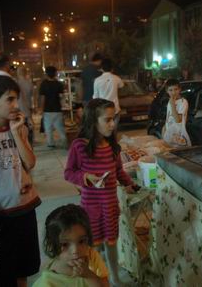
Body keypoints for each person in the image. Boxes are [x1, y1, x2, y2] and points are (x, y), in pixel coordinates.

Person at [64, 98, 138, 287]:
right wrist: (86, 177)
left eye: (113, 119)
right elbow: (69, 173)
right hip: (91, 209)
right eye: (107, 120)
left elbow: (119, 171)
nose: (112, 124)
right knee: (93, 247)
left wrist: (129, 184)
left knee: (111, 243)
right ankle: (95, 280)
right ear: (92, 121)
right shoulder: (80, 146)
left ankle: (114, 277)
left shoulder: (113, 146)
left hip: (110, 206)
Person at [0, 75, 40, 287]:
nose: (16, 105)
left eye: (17, 99)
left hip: (25, 210)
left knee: (24, 270)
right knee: (2, 277)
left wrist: (16, 133)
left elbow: (30, 163)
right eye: (10, 100)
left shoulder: (18, 127)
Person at [32, 204, 109, 287]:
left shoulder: (91, 256)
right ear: (51, 244)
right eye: (64, 244)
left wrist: (89, 275)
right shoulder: (47, 282)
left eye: (81, 241)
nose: (75, 251)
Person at [39, 66, 67, 148]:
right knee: (60, 127)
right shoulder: (58, 84)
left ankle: (51, 143)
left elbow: (42, 97)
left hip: (47, 110)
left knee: (48, 128)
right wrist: (63, 106)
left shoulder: (44, 84)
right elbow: (62, 97)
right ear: (55, 73)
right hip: (57, 109)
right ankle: (64, 141)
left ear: (46, 74)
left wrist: (41, 108)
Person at [93, 58, 124, 126]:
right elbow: (121, 86)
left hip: (103, 110)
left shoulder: (97, 80)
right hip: (115, 109)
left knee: (104, 130)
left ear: (102, 68)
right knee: (114, 130)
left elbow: (95, 97)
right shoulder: (117, 78)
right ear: (112, 68)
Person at [162, 79, 191, 147]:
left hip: (179, 137)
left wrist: (172, 104)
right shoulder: (170, 102)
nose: (173, 92)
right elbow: (168, 118)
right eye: (170, 90)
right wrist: (164, 130)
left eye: (176, 89)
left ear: (180, 89)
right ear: (167, 91)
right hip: (169, 136)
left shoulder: (183, 102)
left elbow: (178, 120)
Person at [16, 67, 34, 145]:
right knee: (29, 127)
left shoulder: (15, 83)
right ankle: (30, 143)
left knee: (20, 128)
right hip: (28, 108)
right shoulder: (29, 83)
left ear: (18, 73)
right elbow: (32, 96)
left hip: (18, 109)